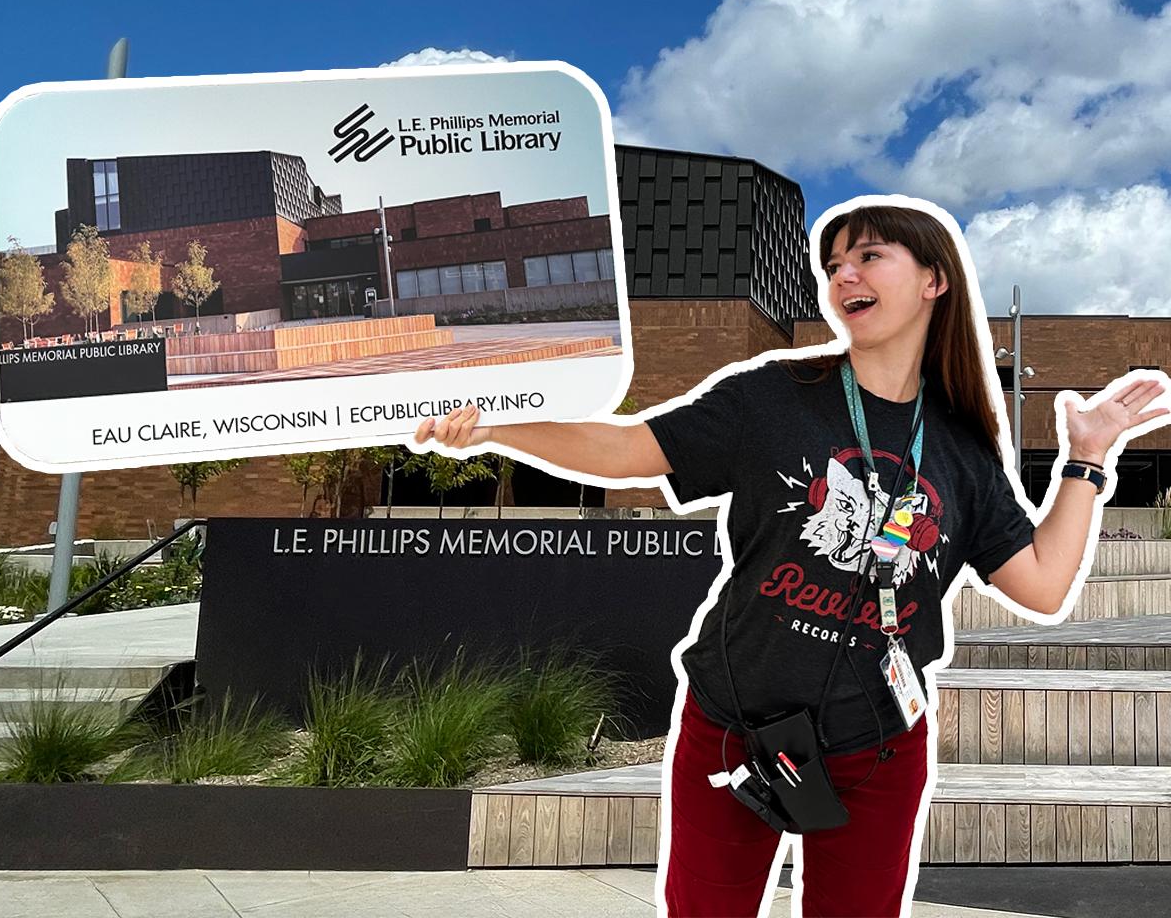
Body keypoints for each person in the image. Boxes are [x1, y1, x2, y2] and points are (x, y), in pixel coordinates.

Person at [414, 197, 1168, 918]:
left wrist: (1087, 460)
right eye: (834, 262)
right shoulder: (770, 398)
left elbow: (1040, 586)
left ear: (935, 279)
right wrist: (500, 428)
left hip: (877, 746)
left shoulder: (960, 449)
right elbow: (627, 449)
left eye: (870, 255)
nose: (844, 276)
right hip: (734, 725)